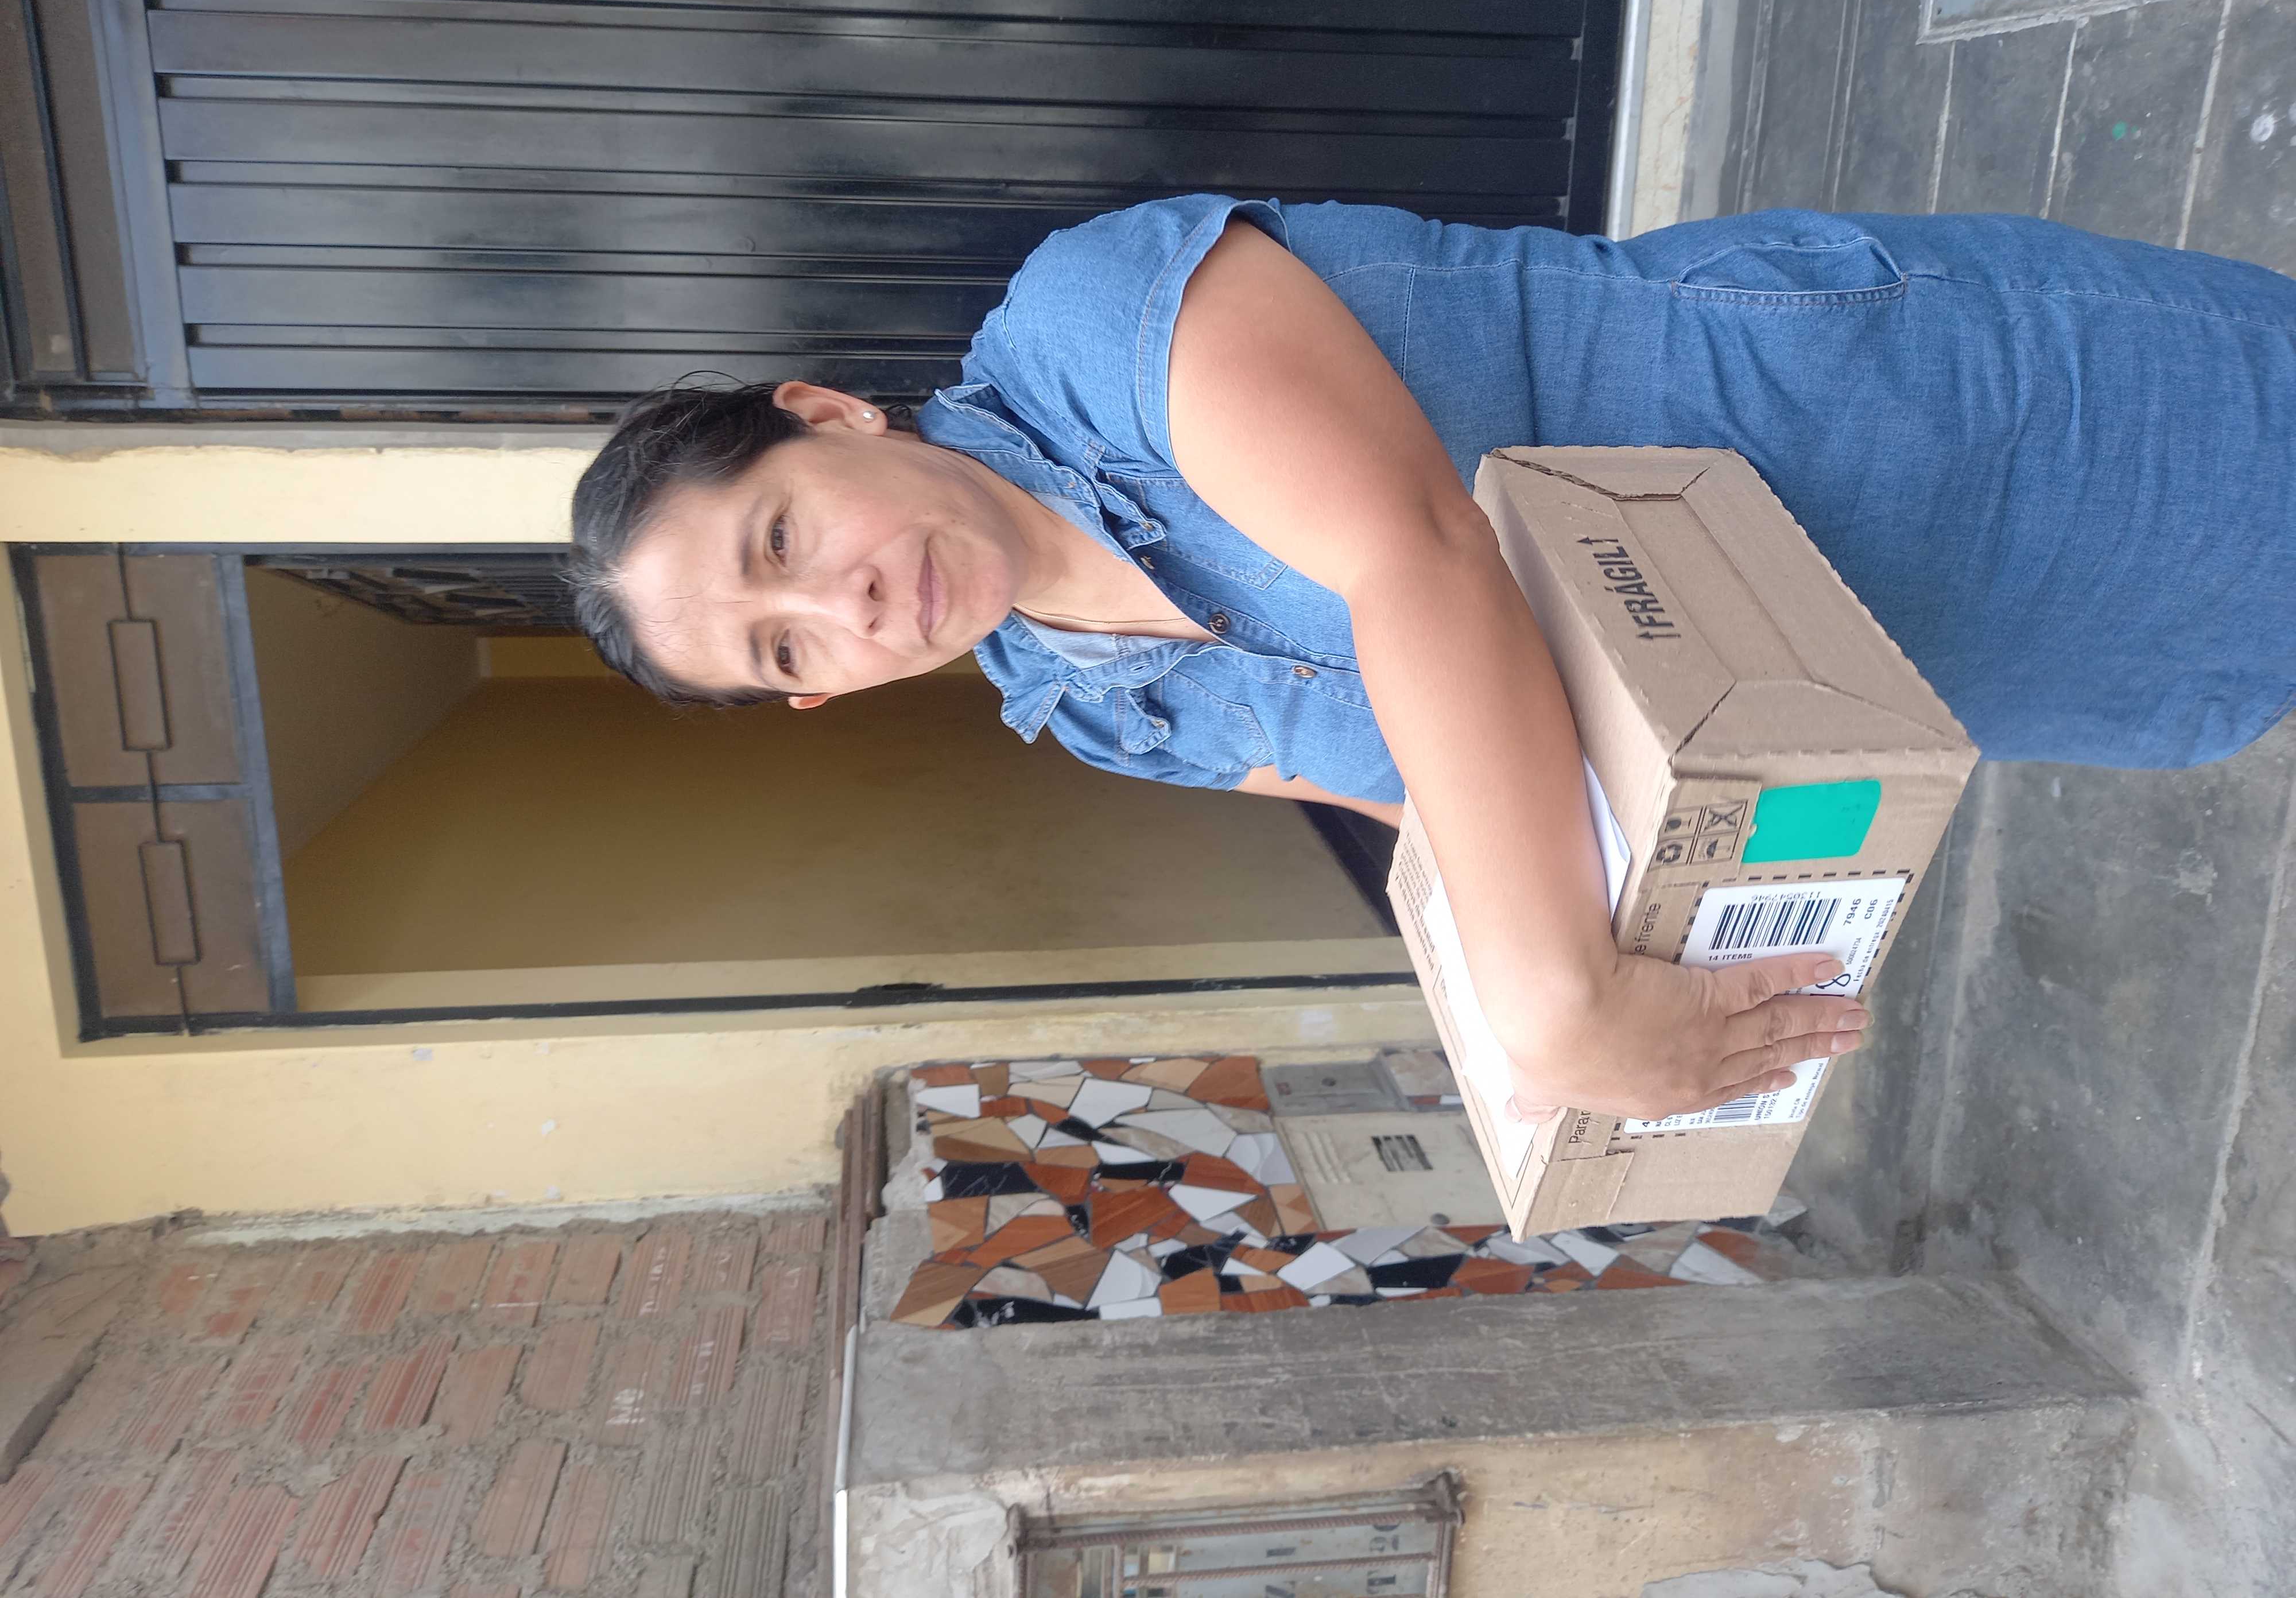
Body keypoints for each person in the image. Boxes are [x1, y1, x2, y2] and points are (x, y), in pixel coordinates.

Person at [568, 196, 2296, 1124]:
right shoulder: (1102, 713)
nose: (854, 603)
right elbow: (1430, 811)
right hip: (1902, 657)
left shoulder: (1098, 327)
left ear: (825, 417)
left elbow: (1419, 564)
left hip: (1934, 432)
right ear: (819, 697)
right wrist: (1585, 1035)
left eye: (781, 539)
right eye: (788, 646)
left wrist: (1559, 1008)